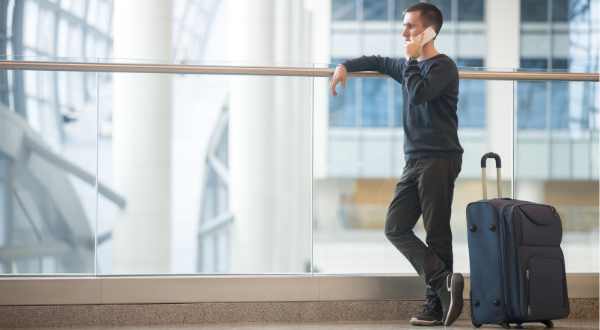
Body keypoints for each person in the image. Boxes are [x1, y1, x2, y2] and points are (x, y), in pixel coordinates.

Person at [329, 2, 464, 327]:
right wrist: (344, 65)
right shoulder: (408, 65)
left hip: (440, 157)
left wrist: (413, 58)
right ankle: (444, 281)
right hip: (414, 160)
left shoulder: (442, 66)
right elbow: (375, 61)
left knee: (436, 233)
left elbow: (419, 94)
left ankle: (435, 305)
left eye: (411, 27)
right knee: (395, 226)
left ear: (429, 30)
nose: (404, 33)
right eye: (404, 27)